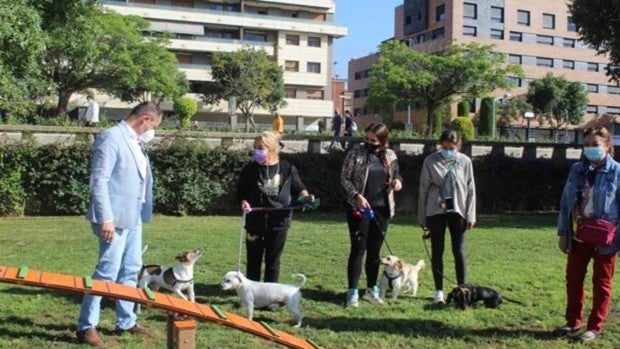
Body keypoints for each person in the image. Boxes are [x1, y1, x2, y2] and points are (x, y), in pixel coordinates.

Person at [76, 102, 162, 347]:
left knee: (130, 270)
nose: (152, 131)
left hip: (133, 217)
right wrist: (107, 218)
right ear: (144, 119)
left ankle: (126, 321)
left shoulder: (136, 141)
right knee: (106, 273)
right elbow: (99, 181)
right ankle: (86, 326)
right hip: (112, 219)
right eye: (153, 125)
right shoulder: (111, 137)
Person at [554, 126, 620, 342]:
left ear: (607, 146)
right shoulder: (578, 169)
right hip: (579, 234)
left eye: (596, 145)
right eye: (587, 145)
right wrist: (564, 233)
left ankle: (594, 326)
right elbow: (566, 203)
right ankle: (573, 322)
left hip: (605, 238)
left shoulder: (617, 171)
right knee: (573, 279)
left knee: (601, 282)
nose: (591, 149)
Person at [237, 130, 314, 283]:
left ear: (272, 149)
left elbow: (299, 188)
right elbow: (240, 193)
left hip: (279, 222)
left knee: (273, 260)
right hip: (254, 221)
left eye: (260, 148)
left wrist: (306, 198)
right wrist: (243, 202)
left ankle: (271, 296)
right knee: (253, 260)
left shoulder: (287, 167)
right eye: (255, 147)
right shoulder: (249, 169)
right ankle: (253, 293)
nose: (255, 151)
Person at [341, 122, 403, 307]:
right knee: (358, 249)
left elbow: (397, 176)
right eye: (367, 138)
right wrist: (356, 196)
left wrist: (397, 183)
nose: (369, 142)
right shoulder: (355, 153)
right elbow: (344, 178)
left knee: (375, 253)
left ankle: (371, 289)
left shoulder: (390, 155)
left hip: (382, 209)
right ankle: (352, 291)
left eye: (373, 140)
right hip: (359, 208)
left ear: (383, 140)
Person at [418, 129, 476, 304]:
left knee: (459, 251)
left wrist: (471, 215)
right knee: (437, 251)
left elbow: (471, 188)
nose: (448, 150)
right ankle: (438, 291)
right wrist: (423, 218)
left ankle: (463, 290)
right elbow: (423, 189)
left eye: (452, 147)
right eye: (445, 147)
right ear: (440, 145)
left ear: (458, 146)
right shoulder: (430, 161)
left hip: (458, 210)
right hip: (436, 210)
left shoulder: (465, 162)